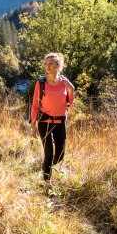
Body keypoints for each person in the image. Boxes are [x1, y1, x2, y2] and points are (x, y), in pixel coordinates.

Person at [30, 52, 75, 190]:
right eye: (46, 63)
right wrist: (33, 126)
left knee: (60, 154)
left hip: (60, 122)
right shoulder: (41, 83)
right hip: (44, 122)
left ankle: (47, 166)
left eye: (51, 64)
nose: (47, 66)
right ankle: (47, 184)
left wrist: (71, 88)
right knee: (48, 152)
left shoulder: (64, 82)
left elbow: (71, 100)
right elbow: (35, 105)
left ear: (58, 66)